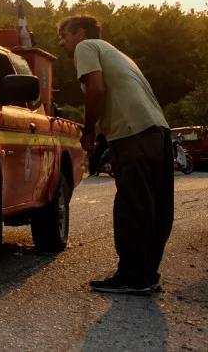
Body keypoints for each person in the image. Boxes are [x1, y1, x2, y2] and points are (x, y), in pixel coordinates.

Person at [58, 15, 172, 295]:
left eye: (65, 36)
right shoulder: (117, 53)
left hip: (133, 134)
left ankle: (132, 277)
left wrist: (87, 130)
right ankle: (146, 275)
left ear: (80, 33)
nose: (63, 43)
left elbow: (96, 90)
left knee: (131, 206)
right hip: (157, 131)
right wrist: (101, 134)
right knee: (154, 207)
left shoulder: (87, 48)